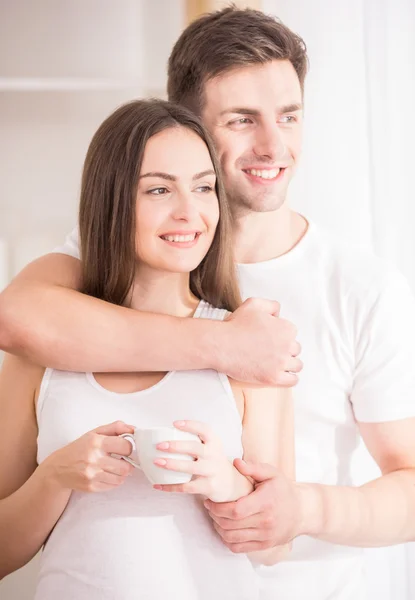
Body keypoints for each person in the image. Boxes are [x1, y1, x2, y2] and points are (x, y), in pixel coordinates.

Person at [1, 5, 415, 600]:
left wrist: (301, 509)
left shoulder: (359, 287)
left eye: (290, 116)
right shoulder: (98, 267)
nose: (274, 146)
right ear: (186, 124)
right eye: (243, 119)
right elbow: (15, 321)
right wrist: (223, 345)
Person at [0, 99, 294, 599]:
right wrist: (54, 478)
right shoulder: (41, 353)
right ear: (111, 202)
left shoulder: (250, 349)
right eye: (159, 189)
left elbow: (272, 547)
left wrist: (225, 485)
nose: (189, 211)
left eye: (203, 187)